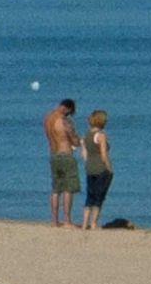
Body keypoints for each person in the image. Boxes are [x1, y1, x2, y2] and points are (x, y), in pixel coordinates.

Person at [44, 98, 80, 227]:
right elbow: (74, 140)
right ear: (67, 109)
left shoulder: (48, 118)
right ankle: (67, 220)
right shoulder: (64, 121)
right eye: (69, 112)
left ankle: (54, 220)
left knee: (56, 189)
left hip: (54, 154)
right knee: (68, 188)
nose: (69, 115)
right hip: (65, 154)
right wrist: (79, 141)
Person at [81, 109, 114, 230]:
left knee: (90, 196)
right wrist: (109, 169)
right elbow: (104, 155)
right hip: (101, 169)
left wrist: (88, 163)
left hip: (90, 168)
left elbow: (84, 154)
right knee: (99, 197)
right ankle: (94, 223)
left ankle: (85, 223)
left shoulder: (86, 135)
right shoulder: (101, 135)